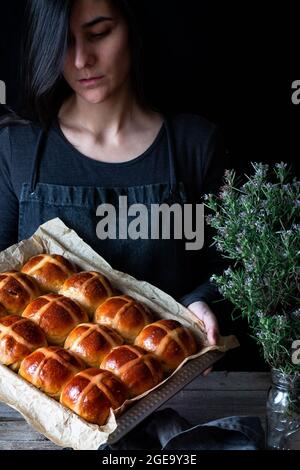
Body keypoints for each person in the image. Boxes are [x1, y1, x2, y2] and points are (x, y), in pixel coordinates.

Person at [0, 0, 229, 357]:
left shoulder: (194, 145)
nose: (81, 61)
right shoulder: (17, 147)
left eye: (99, 34)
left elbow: (229, 268)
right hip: (43, 389)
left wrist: (200, 303)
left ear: (131, 28)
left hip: (173, 377)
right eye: (64, 43)